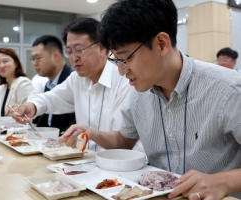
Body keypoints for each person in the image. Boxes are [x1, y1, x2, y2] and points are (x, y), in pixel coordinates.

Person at [58, 0, 241, 199]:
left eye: (126, 58)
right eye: (116, 61)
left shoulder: (228, 89)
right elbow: (124, 141)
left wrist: (221, 181)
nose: (121, 71)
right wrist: (92, 133)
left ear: (161, 44)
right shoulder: (139, 92)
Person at [10, 17, 131, 152]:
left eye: (79, 50)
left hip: (120, 165)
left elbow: (123, 141)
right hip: (85, 161)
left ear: (102, 48)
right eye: (69, 51)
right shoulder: (77, 79)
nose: (73, 58)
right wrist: (32, 106)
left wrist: (90, 133)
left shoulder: (124, 78)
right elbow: (52, 98)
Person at [31, 35, 76, 132]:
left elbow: (73, 125)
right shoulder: (49, 84)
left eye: (38, 58)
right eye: (33, 59)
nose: (34, 63)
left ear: (56, 56)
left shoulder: (72, 80)